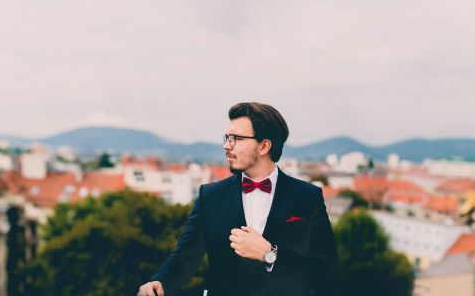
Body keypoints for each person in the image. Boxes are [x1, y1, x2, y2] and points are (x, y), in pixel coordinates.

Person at [138, 102, 342, 296]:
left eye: (236, 138)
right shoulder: (210, 196)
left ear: (264, 146)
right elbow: (185, 258)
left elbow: (327, 272)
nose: (227, 146)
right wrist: (160, 282)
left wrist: (269, 254)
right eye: (226, 137)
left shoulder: (307, 197)